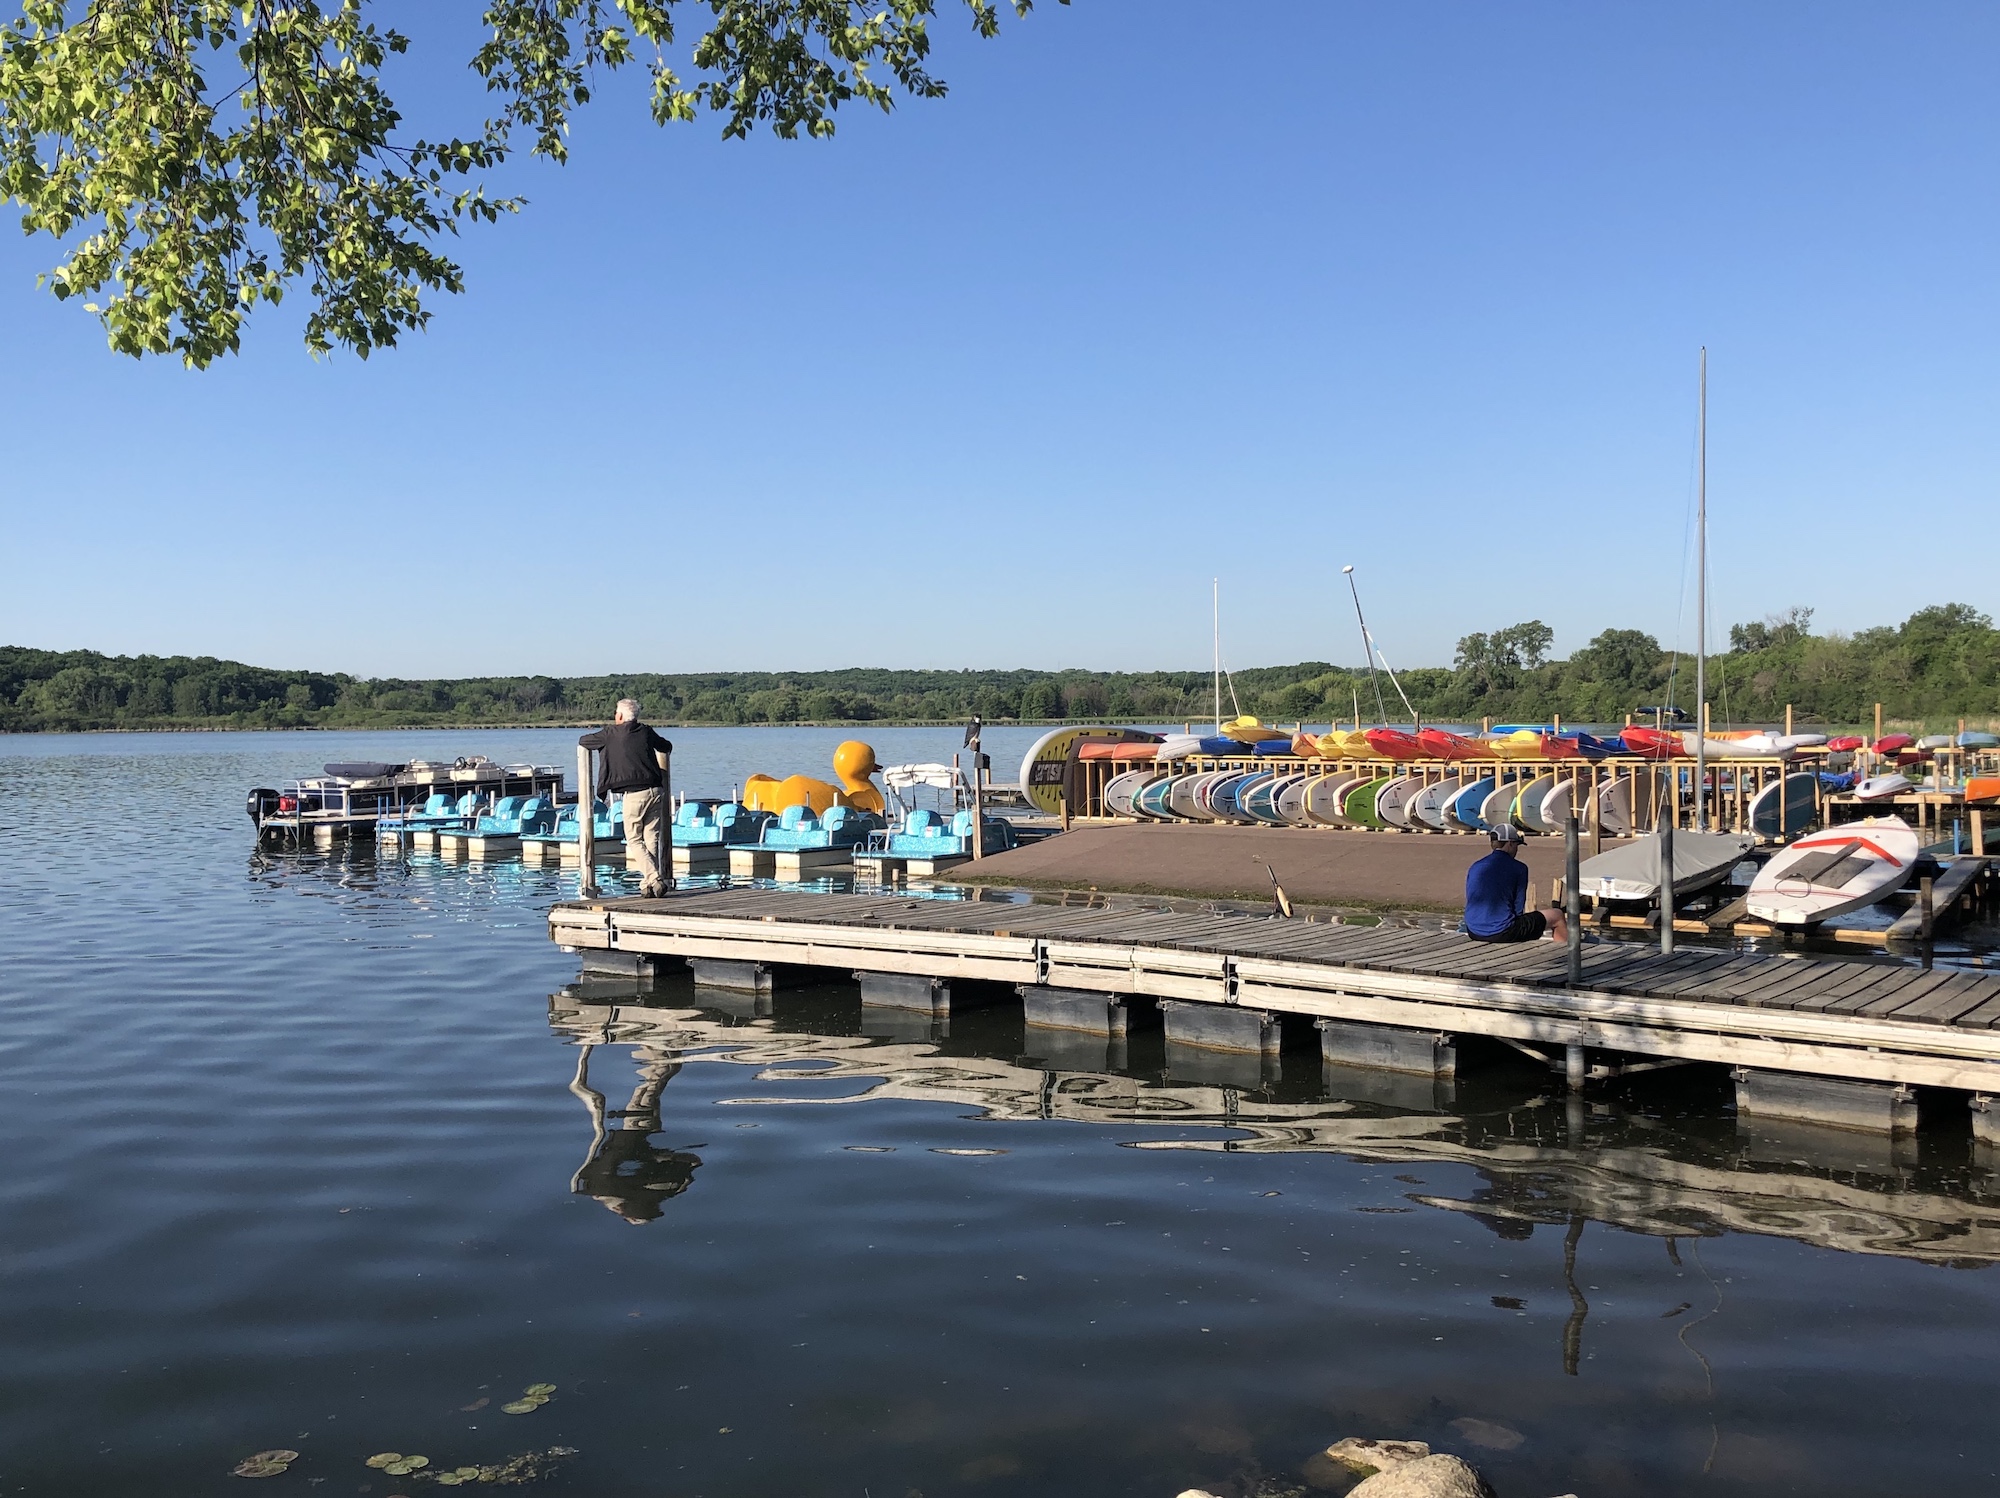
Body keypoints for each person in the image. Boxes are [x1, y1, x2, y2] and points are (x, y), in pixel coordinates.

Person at [579, 699, 673, 897]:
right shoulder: (646, 731)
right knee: (651, 838)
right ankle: (648, 886)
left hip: (634, 795)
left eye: (616, 713)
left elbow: (584, 741)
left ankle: (654, 878)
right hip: (656, 791)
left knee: (634, 840)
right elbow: (665, 746)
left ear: (620, 716)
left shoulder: (609, 733)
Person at [1464, 823, 1567, 943]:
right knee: (1557, 915)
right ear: (1510, 843)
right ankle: (1565, 952)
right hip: (1503, 932)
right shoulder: (1519, 868)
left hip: (1473, 931)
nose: (1517, 849)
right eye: (1517, 845)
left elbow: (1471, 898)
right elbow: (1518, 907)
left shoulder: (1475, 866)